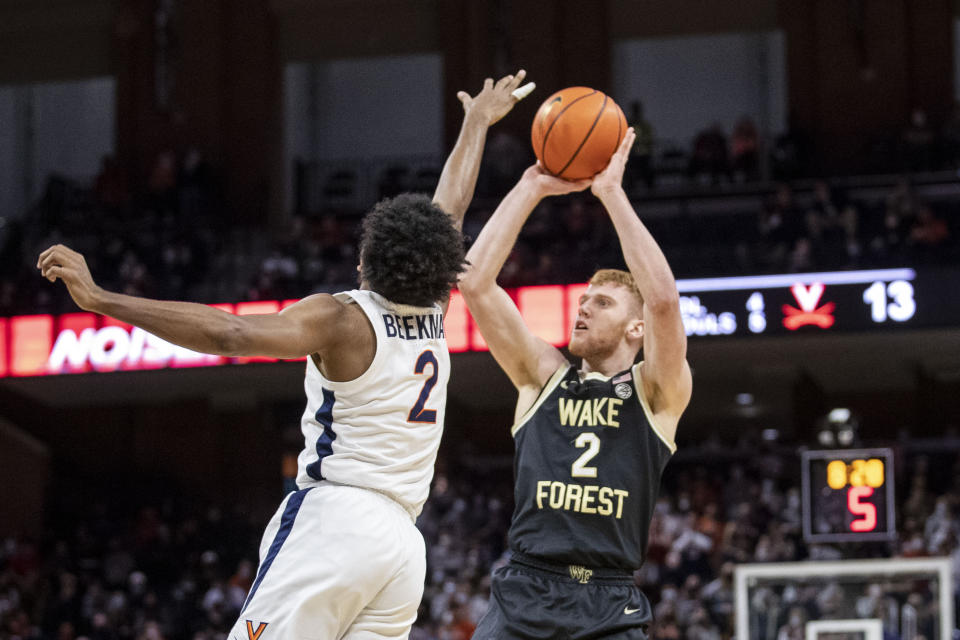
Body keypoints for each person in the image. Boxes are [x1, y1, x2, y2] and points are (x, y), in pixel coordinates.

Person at [37, 70, 534, 640]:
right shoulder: (432, 309)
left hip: (337, 521)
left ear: (367, 260)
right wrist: (473, 123)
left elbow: (230, 335)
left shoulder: (343, 318)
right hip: (402, 548)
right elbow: (450, 209)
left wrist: (102, 299)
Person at [459, 128, 692, 639]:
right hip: (525, 588)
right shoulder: (541, 375)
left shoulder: (656, 392)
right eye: (583, 299)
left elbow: (664, 302)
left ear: (637, 329)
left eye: (602, 302)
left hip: (608, 601)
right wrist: (531, 186)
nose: (583, 307)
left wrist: (611, 193)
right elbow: (475, 282)